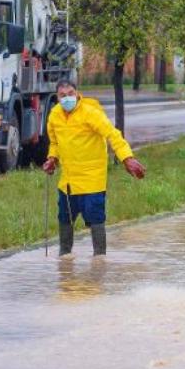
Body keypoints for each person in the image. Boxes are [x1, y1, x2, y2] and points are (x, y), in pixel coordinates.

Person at [43, 78, 145, 258]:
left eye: (70, 94)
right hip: (68, 181)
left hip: (92, 179)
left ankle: (100, 258)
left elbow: (113, 135)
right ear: (57, 97)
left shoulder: (90, 112)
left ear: (77, 93)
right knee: (65, 217)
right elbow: (55, 143)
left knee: (95, 217)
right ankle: (65, 256)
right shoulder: (54, 115)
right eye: (62, 95)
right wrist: (52, 159)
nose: (67, 98)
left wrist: (127, 158)